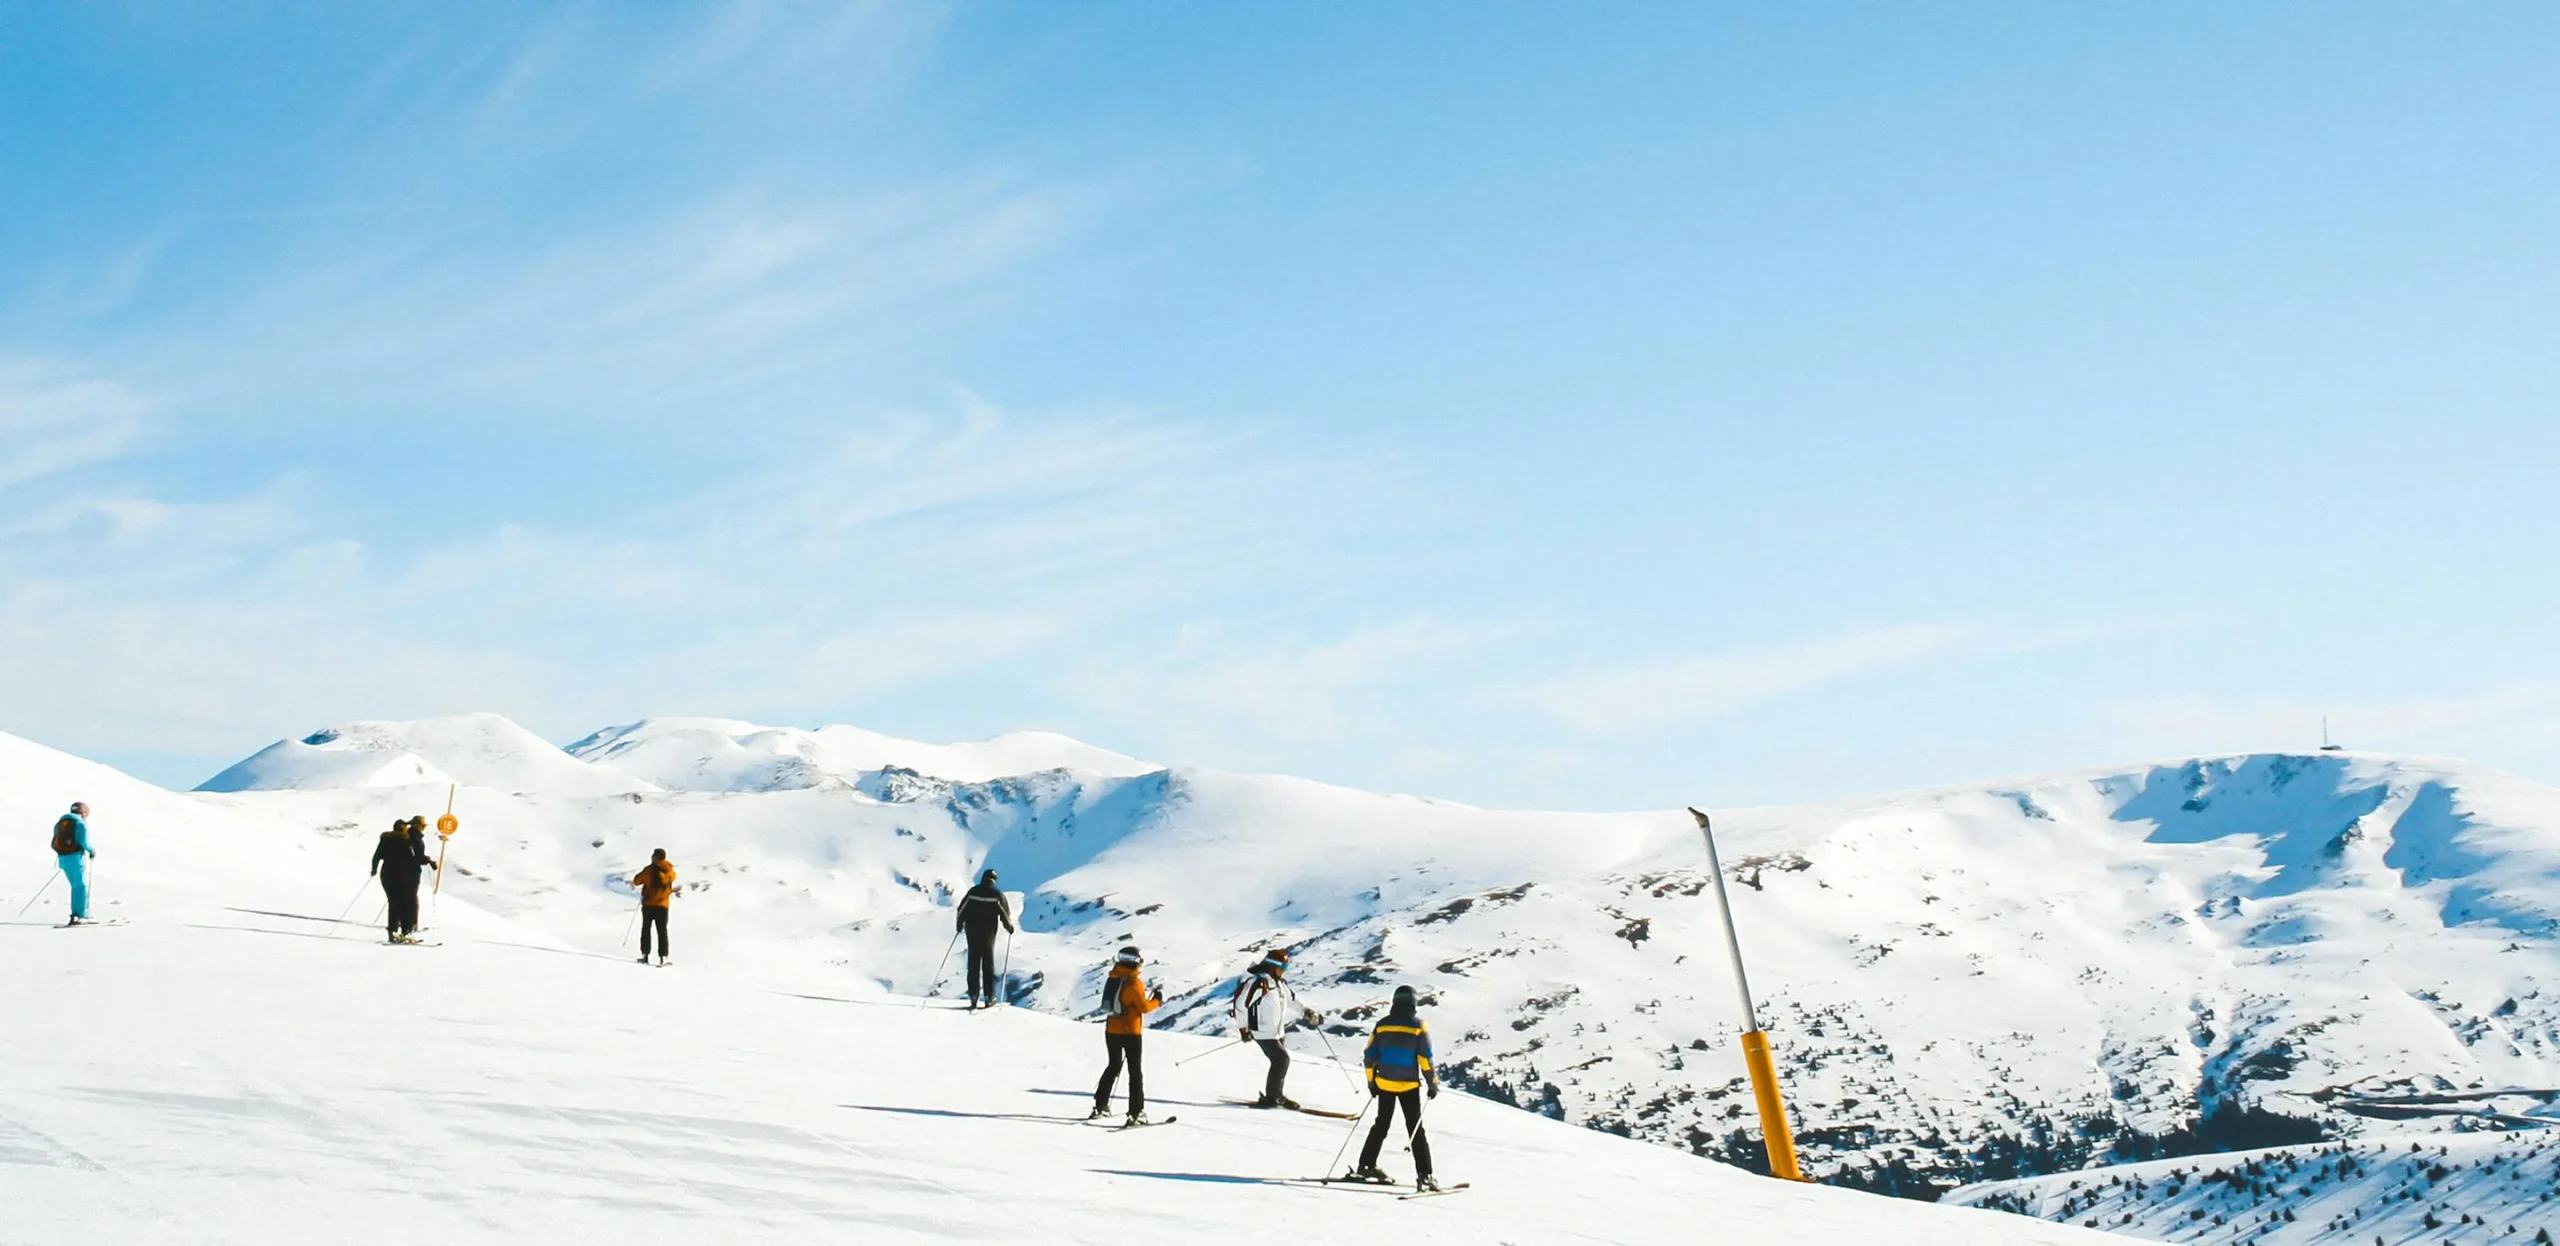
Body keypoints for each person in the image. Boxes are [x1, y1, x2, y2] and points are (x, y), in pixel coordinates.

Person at [1347, 985, 1440, 1191]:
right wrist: (1432, 1083)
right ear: (1413, 1003)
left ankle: (1366, 1166)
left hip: (1384, 1083)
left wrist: (1371, 1082)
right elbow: (1425, 1058)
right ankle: (1425, 1175)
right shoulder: (1418, 1026)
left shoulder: (1382, 1025)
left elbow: (1369, 1056)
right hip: (1408, 1086)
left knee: (1381, 1125)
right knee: (1415, 1129)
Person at [1231, 947, 1321, 1108]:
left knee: (1279, 1062)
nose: (1285, 970)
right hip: (1262, 1030)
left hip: (1277, 1031)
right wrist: (1243, 1029)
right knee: (1281, 1060)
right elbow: (1240, 1005)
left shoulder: (1279, 983)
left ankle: (1275, 1095)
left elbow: (1292, 1000)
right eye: (1283, 967)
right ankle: (1273, 1097)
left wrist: (1305, 1011)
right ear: (1273, 966)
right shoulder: (1259, 983)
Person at [1089, 944, 1162, 1124]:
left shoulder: (1113, 977)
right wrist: (1157, 1000)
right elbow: (1143, 1008)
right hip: (1131, 1032)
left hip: (1111, 1030)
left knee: (1113, 1066)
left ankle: (1100, 1105)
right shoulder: (1133, 982)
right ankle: (1136, 1113)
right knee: (1134, 1072)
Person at [955, 869, 1015, 1009]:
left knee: (973, 964)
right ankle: (989, 997)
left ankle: (973, 995)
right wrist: (1009, 927)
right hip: (988, 934)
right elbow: (1005, 915)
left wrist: (959, 925)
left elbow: (961, 909)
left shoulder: (973, 892)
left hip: (972, 932)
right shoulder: (997, 895)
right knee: (988, 965)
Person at [370, 816, 434, 943]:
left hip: (387, 874)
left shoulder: (386, 840)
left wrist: (374, 870)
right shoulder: (406, 840)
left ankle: (393, 932)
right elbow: (413, 859)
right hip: (402, 875)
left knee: (393, 903)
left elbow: (376, 856)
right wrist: (428, 861)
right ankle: (406, 932)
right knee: (406, 903)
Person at [50, 802, 95, 926]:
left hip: (63, 859)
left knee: (75, 886)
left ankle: (76, 914)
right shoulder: (80, 824)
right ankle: (82, 915)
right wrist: (92, 851)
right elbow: (84, 842)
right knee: (81, 886)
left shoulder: (60, 823)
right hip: (76, 858)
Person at [631, 849, 676, 966]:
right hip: (663, 905)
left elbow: (637, 881)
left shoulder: (649, 870)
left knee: (646, 929)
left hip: (649, 905)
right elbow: (672, 880)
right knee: (662, 930)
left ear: (655, 857)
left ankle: (645, 955)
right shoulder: (670, 871)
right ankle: (663, 957)